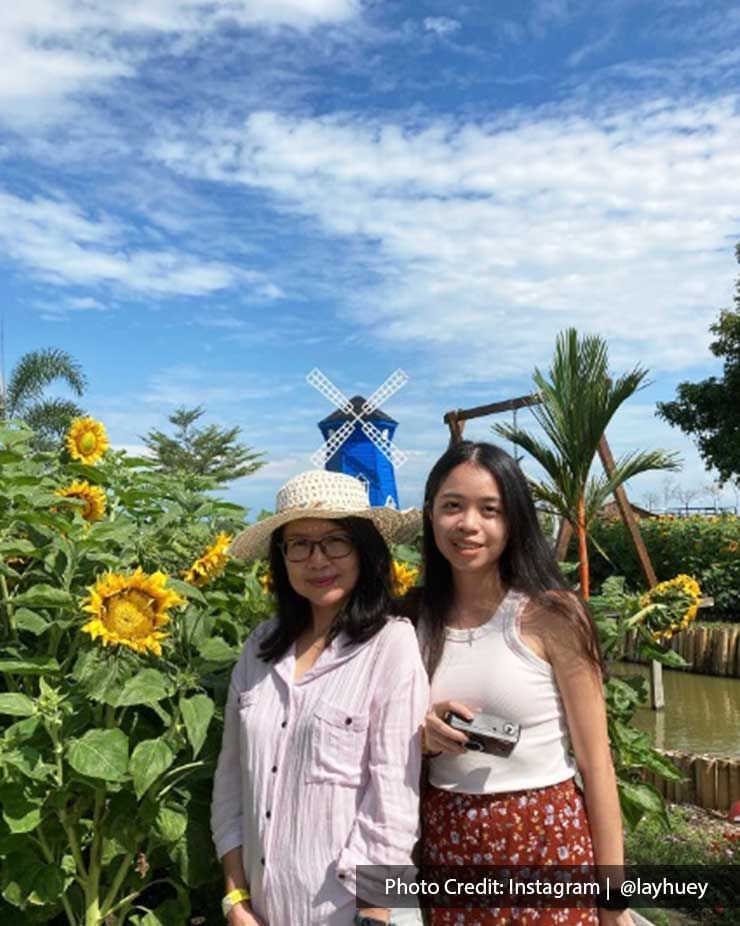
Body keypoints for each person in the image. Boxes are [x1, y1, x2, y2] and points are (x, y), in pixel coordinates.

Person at [417, 441, 633, 926]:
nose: (468, 524)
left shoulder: (551, 615)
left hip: (544, 840)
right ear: (430, 514)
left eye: (489, 510)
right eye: (452, 506)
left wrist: (614, 901)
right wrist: (423, 738)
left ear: (513, 520)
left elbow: (597, 764)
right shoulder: (411, 618)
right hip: (448, 843)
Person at [211, 470, 429, 926]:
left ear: (365, 550)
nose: (317, 559)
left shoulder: (390, 645)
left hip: (356, 913)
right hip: (264, 912)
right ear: (282, 558)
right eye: (299, 544)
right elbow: (230, 781)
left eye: (335, 541)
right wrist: (236, 899)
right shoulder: (258, 649)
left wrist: (374, 916)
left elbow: (394, 798)